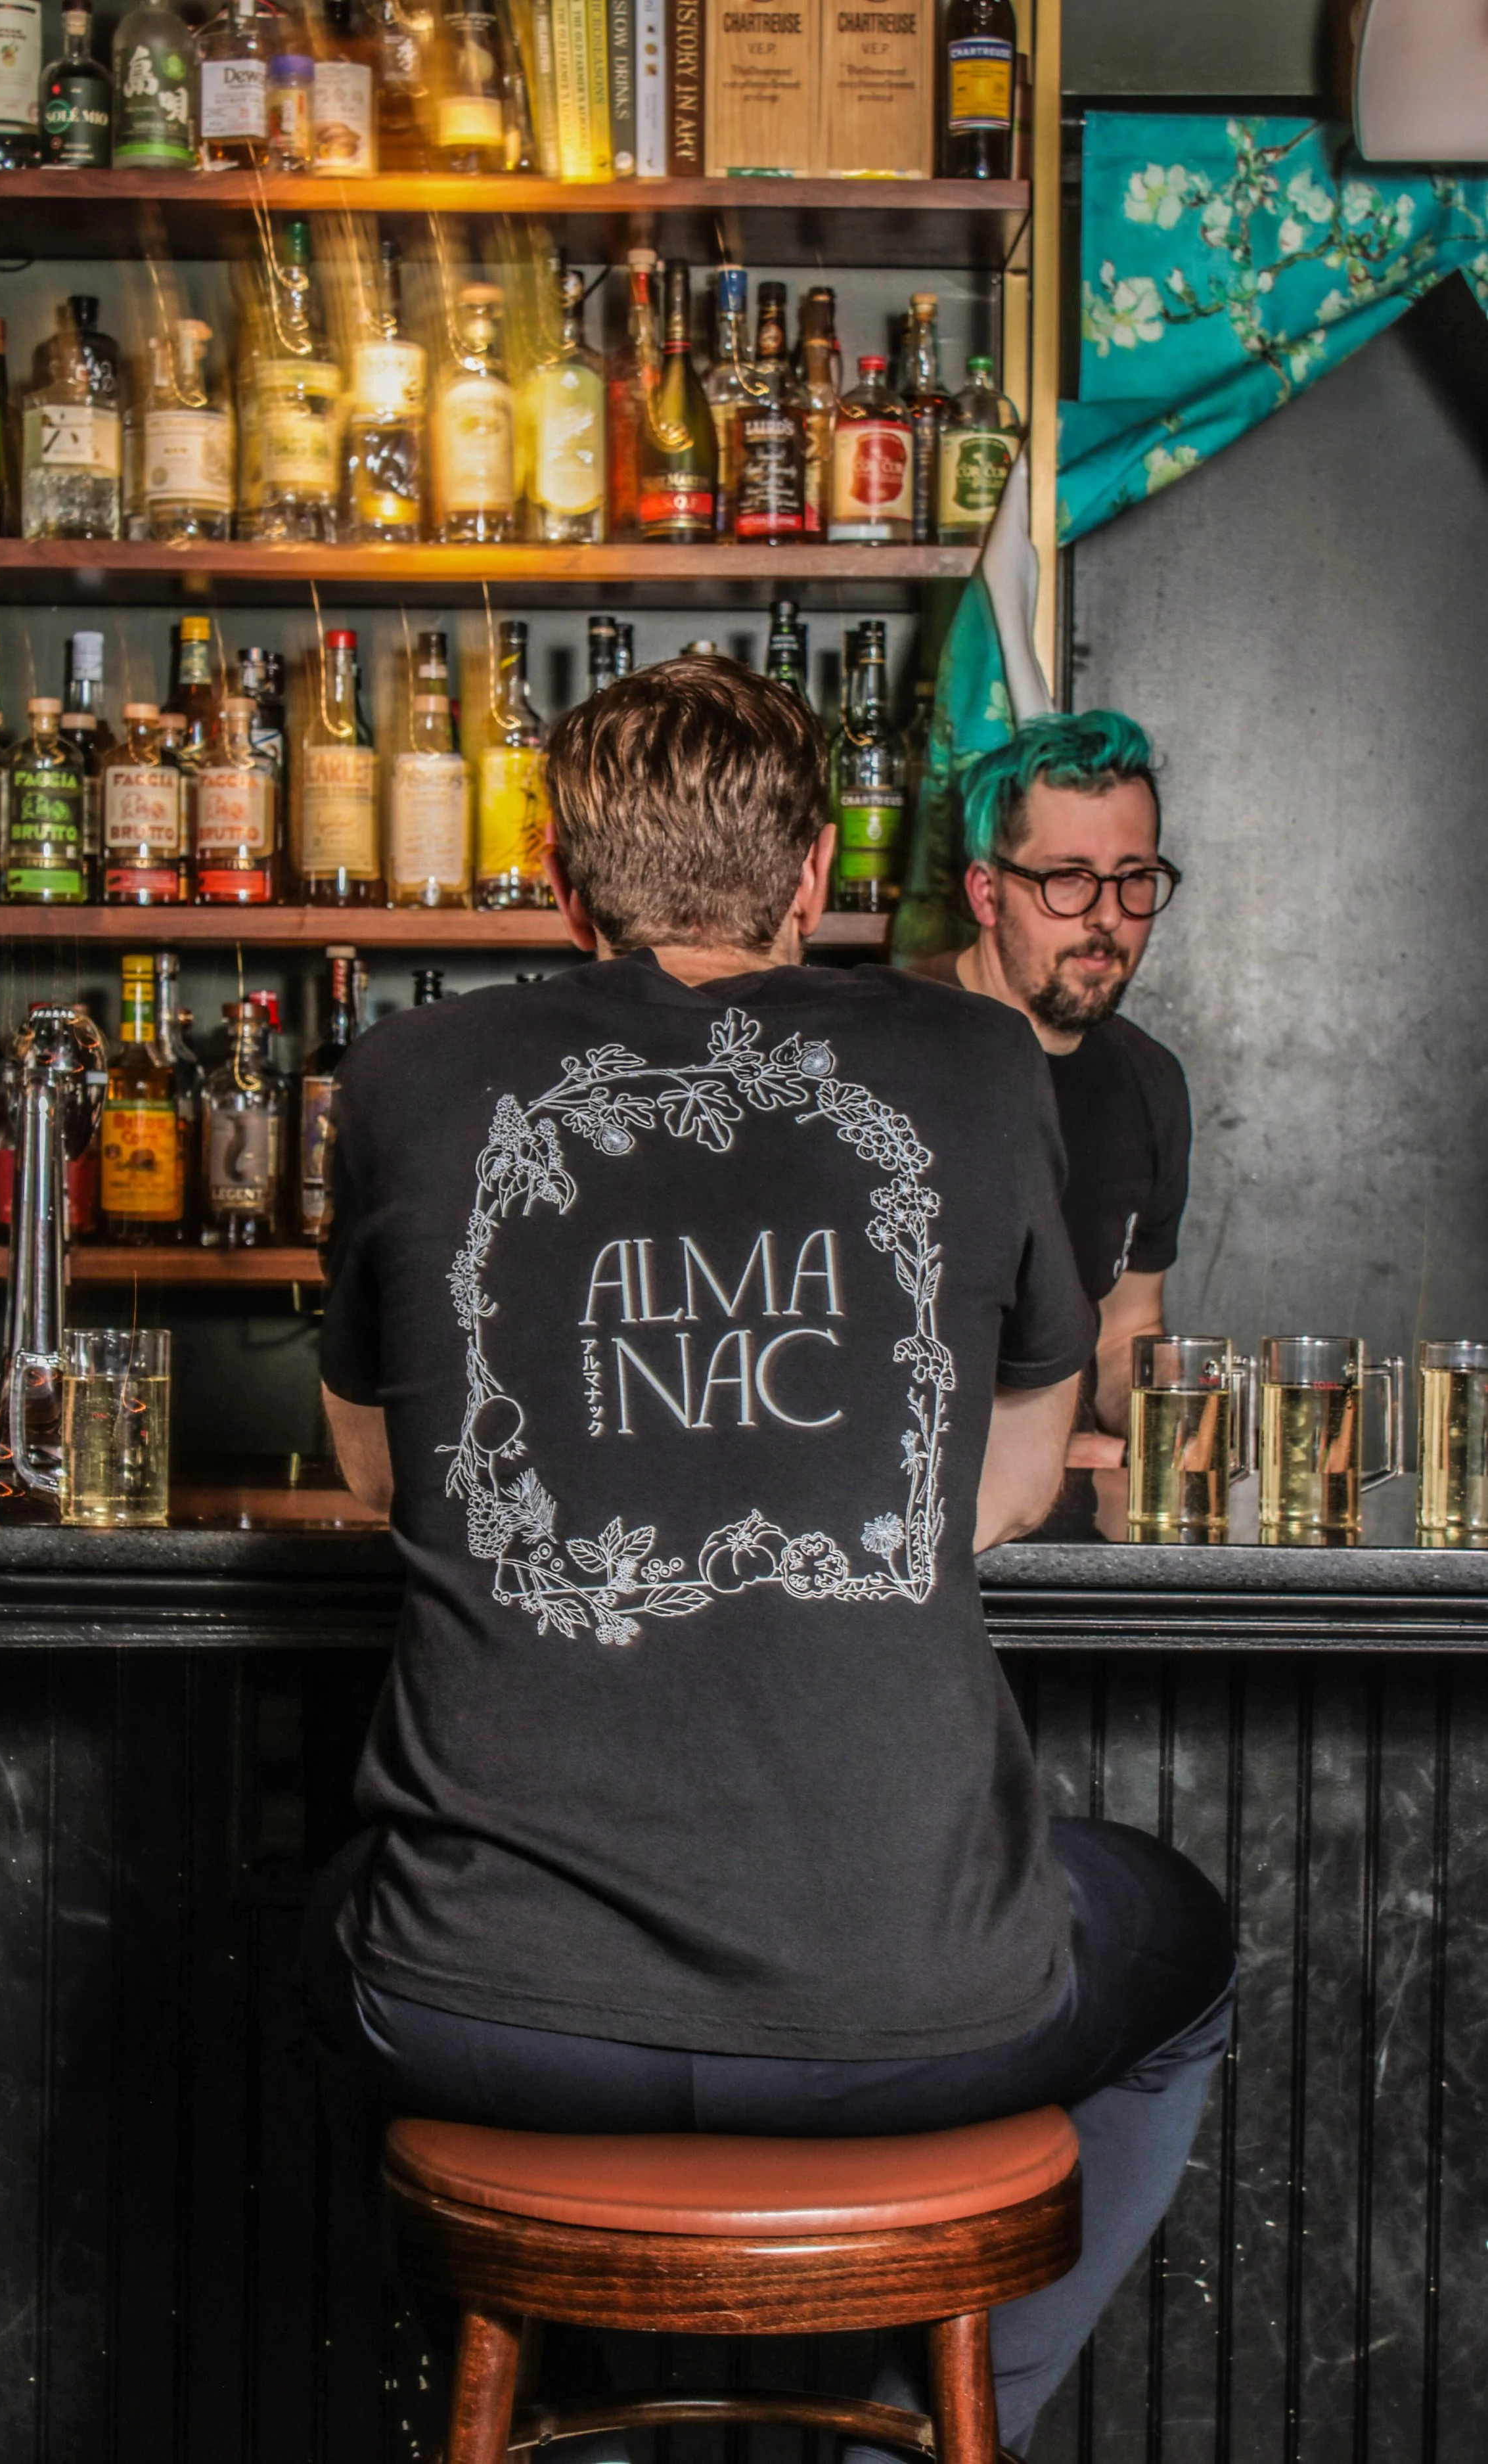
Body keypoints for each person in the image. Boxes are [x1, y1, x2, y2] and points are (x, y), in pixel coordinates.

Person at [299, 659, 1233, 2461]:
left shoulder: (407, 1070)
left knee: (319, 1918)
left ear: (563, 891)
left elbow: (380, 1464)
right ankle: (894, 2434)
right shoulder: (967, 1057)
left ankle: (563, 2417)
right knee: (1176, 1949)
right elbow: (1017, 1471)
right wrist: (819, 1511)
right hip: (915, 2004)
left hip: (488, 2013)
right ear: (814, 876)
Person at [916, 712, 1189, 1474]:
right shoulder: (881, 1050)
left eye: (1134, 880)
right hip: (902, 1527)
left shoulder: (1150, 1081)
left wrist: (1173, 1431)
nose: (1107, 917)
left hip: (1077, 1540)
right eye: (1068, 879)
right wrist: (1023, 1455)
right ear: (985, 891)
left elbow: (1123, 1330)